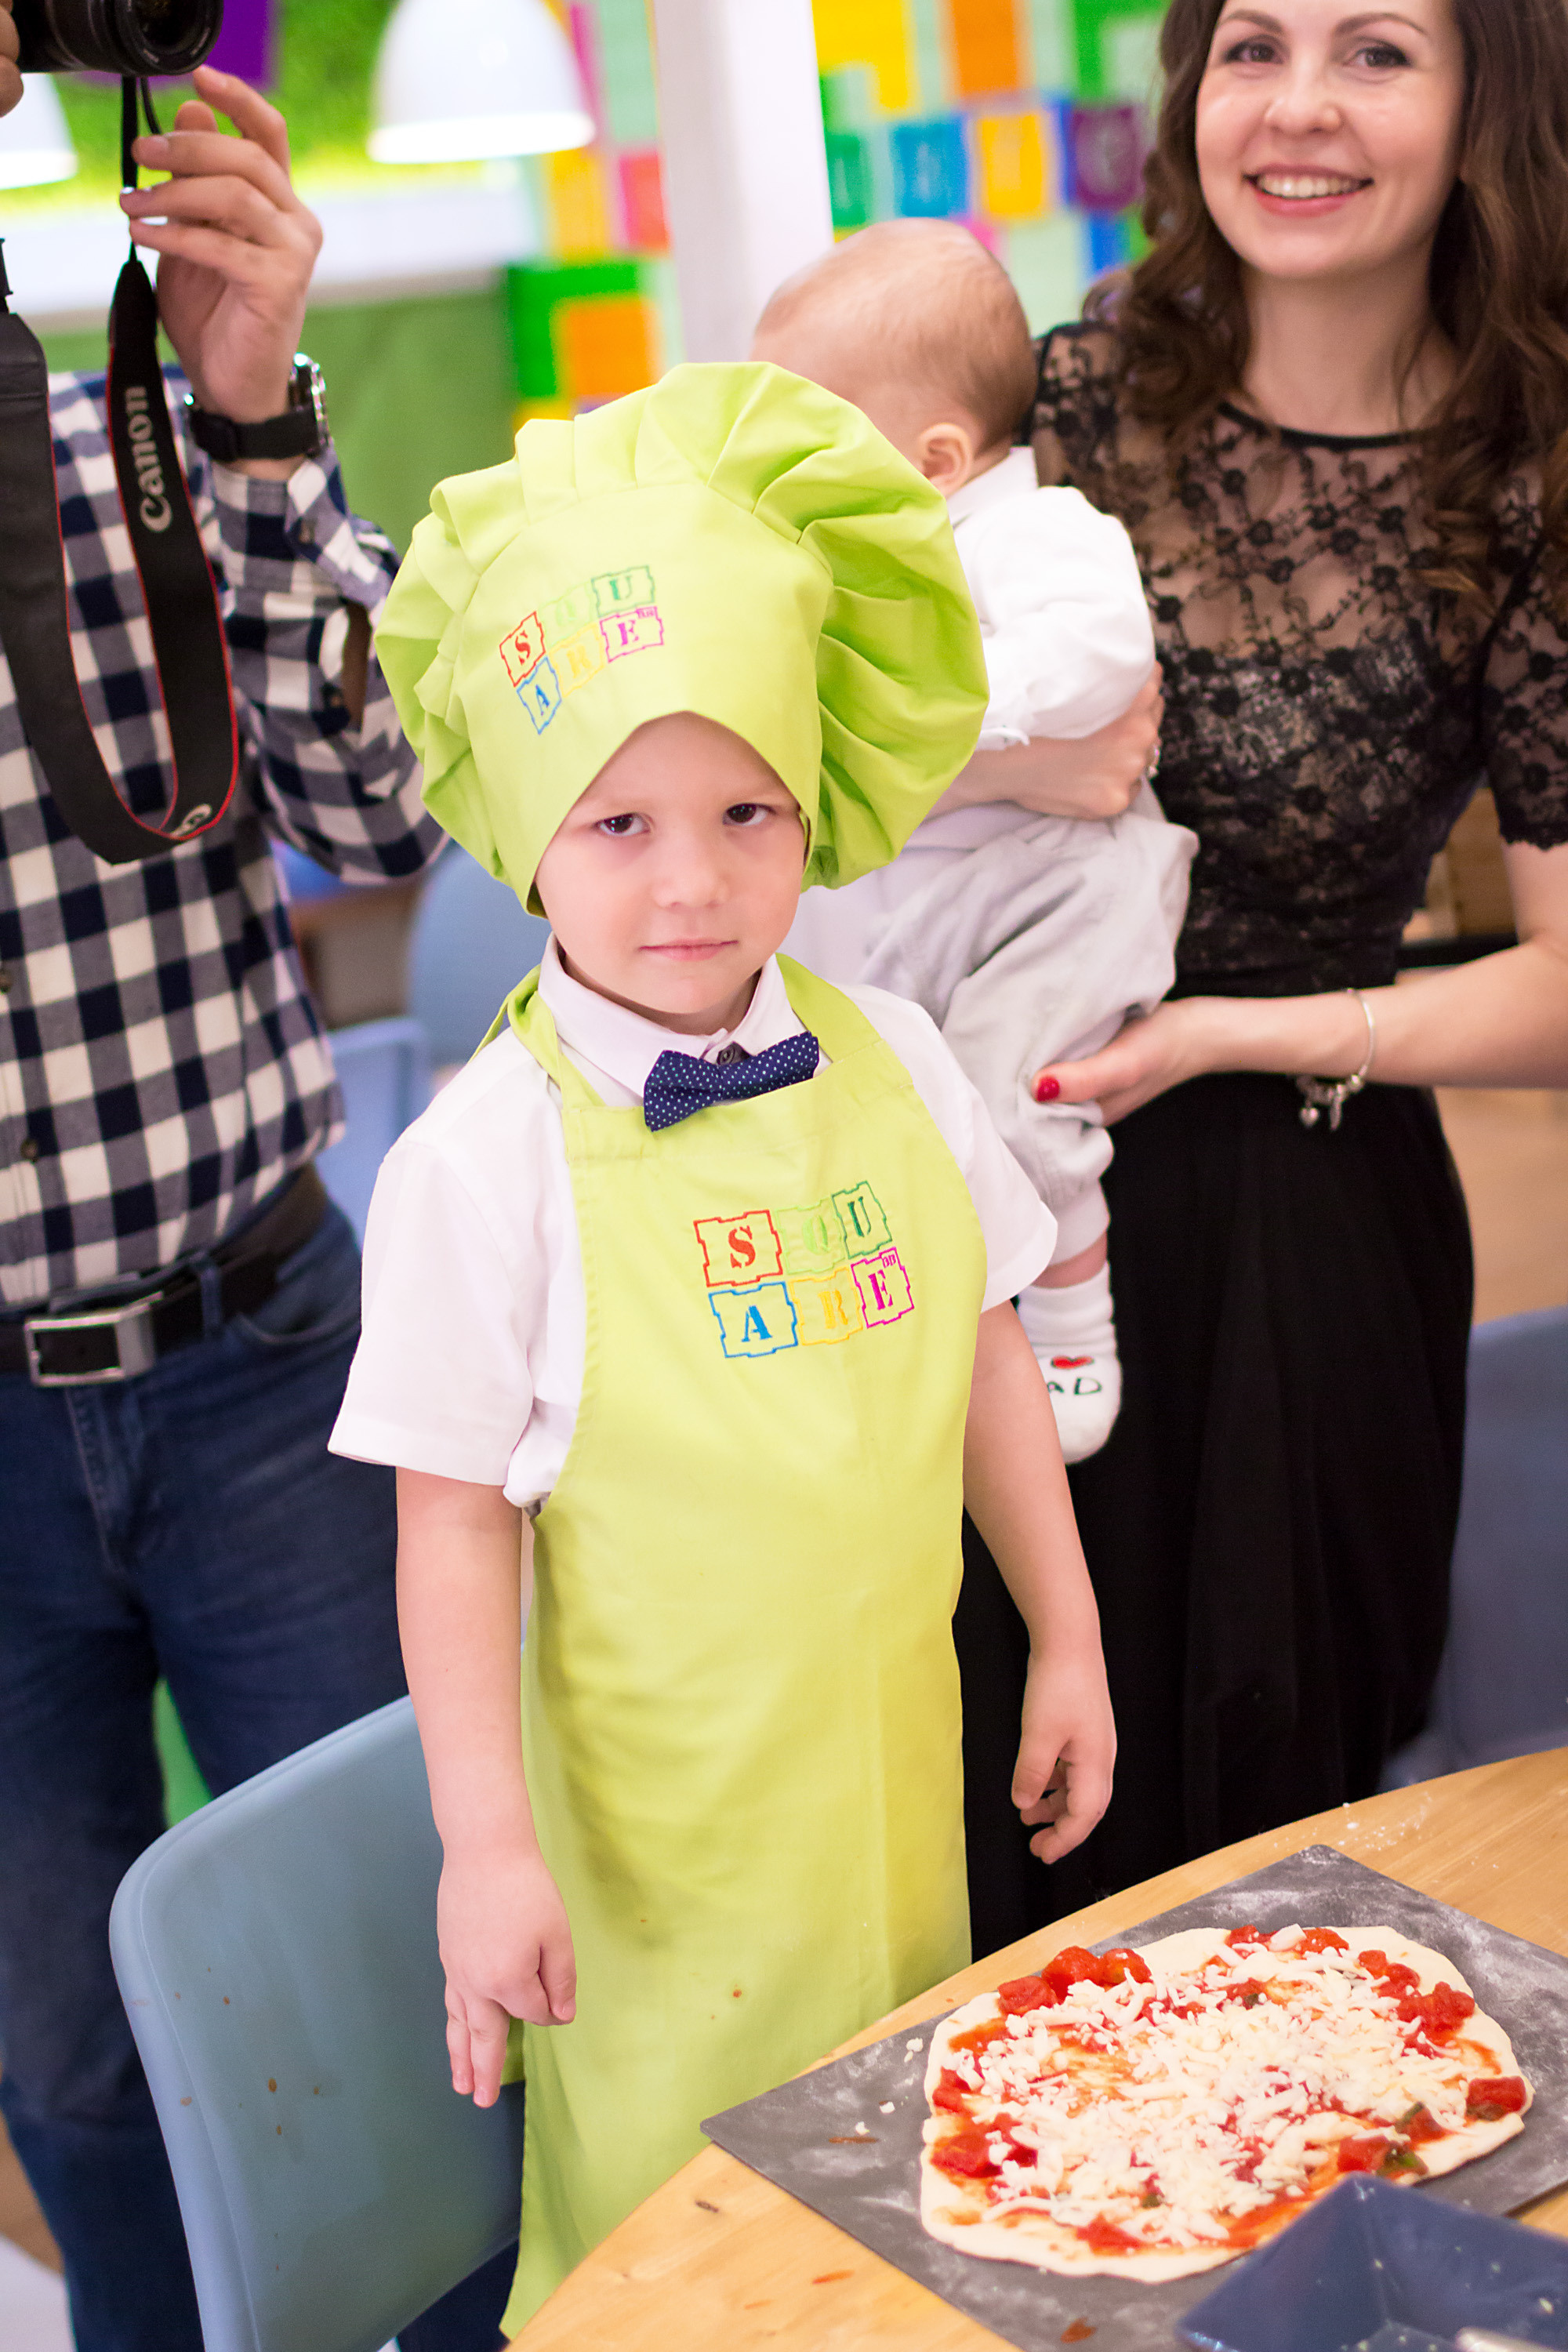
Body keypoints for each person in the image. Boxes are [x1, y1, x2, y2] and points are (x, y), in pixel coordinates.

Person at [328, 359, 1117, 2331]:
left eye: (745, 807)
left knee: (906, 2241)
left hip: (887, 1814)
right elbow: (450, 1528)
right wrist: (483, 1849)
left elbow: (983, 1350)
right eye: (620, 823)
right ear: (527, 840)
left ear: (813, 806)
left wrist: (1069, 1630)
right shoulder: (481, 1161)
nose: (691, 877)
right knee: (690, 2279)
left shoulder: (897, 1058)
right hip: (652, 1885)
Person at [954, 0, 1568, 1951]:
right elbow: (817, 768)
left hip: (1303, 1224)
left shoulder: (1532, 468)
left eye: (1377, 51)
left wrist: (1232, 1032)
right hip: (986, 1211)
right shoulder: (1063, 395)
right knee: (993, 1830)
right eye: (1253, 46)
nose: (1298, 106)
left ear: (1485, 100)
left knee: (1272, 1876)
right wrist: (1008, 757)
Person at [0, 38, 503, 2352]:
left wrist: (257, 422)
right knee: (76, 2063)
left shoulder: (119, 428)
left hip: (262, 1345)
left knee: (417, 1992)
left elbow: (399, 825)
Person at [753, 218, 1196, 1468]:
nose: (782, 483)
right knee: (902, 1100)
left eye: (808, 450)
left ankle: (1072, 1328)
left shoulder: (1036, 535)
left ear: (936, 458)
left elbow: (1101, 652)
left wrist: (949, 722)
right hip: (958, 902)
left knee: (1013, 1092)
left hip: (1070, 890)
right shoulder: (861, 565)